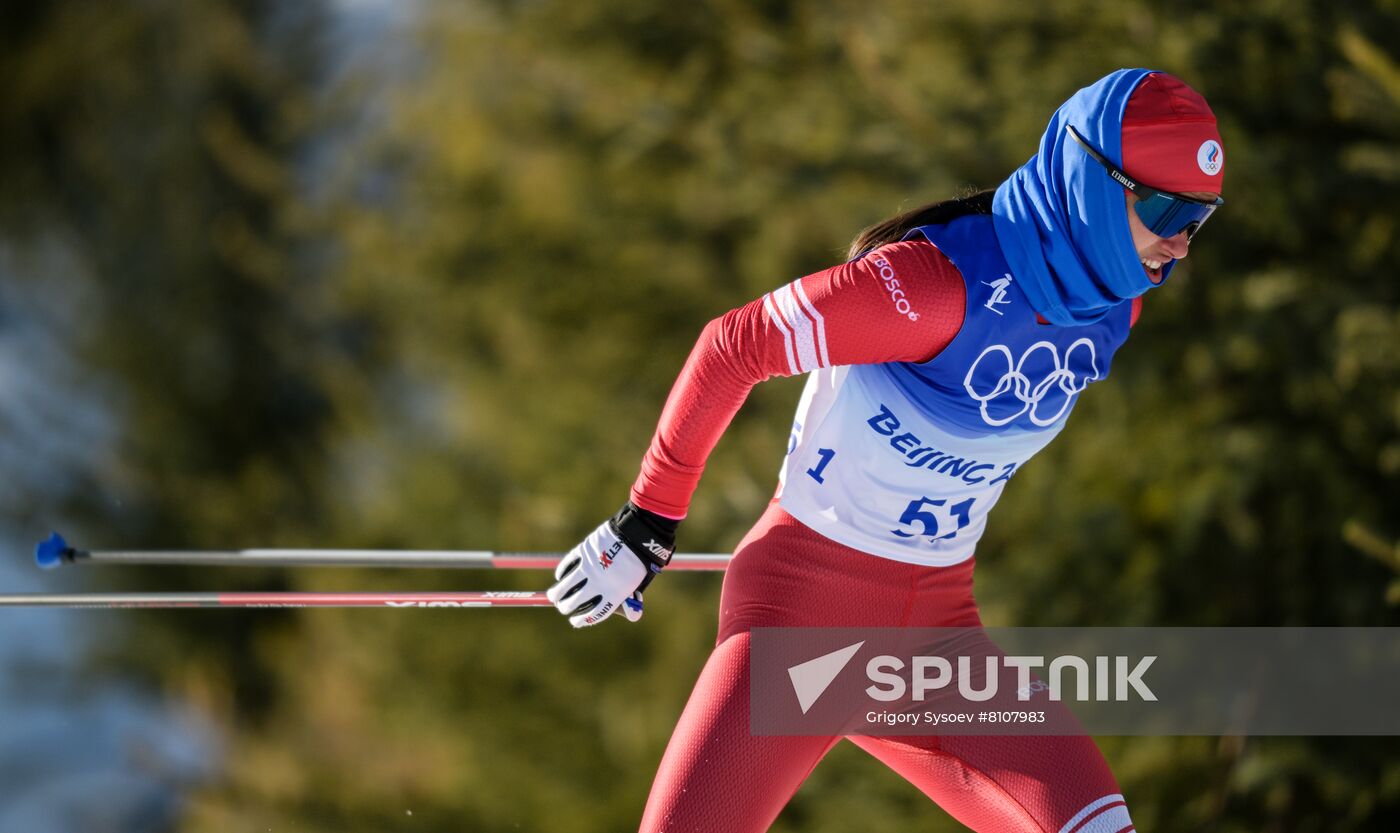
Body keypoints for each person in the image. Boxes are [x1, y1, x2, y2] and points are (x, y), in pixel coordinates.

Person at [547, 68, 1225, 833]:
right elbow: (732, 345)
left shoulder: (1115, 306)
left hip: (937, 637)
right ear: (1092, 187)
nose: (1181, 243)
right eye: (1167, 208)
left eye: (1199, 219)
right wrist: (645, 524)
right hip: (800, 626)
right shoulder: (929, 286)